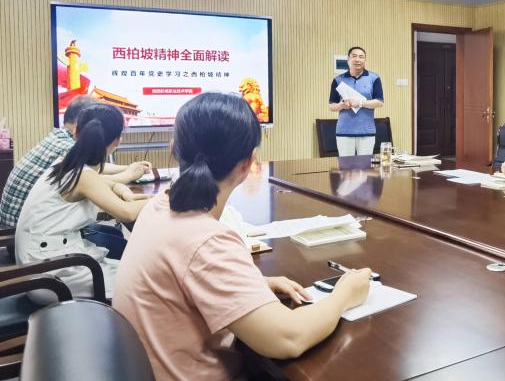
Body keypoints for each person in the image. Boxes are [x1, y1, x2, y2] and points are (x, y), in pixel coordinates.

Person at [114, 93, 371, 381]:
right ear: (249, 162)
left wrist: (254, 286)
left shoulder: (158, 207)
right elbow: (288, 338)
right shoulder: (205, 239)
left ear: (174, 147)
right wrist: (344, 294)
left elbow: (182, 278)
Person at [15, 103, 151, 302]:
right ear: (117, 141)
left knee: (132, 271)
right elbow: (127, 213)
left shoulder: (67, 162)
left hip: (36, 263)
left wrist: (124, 191)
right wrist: (164, 198)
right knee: (142, 283)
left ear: (76, 132)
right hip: (50, 275)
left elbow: (103, 182)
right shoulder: (83, 175)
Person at [0, 96, 150, 227]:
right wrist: (159, 197)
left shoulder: (63, 146)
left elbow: (96, 179)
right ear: (117, 141)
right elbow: (126, 213)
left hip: (27, 227)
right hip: (30, 234)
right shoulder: (70, 153)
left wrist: (124, 180)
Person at [328, 46, 384, 157]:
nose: (357, 59)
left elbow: (379, 102)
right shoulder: (338, 80)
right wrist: (341, 105)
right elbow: (331, 106)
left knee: (365, 165)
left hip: (366, 131)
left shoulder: (374, 78)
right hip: (344, 131)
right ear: (348, 59)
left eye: (361, 57)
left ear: (365, 60)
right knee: (346, 166)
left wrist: (360, 103)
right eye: (354, 56)